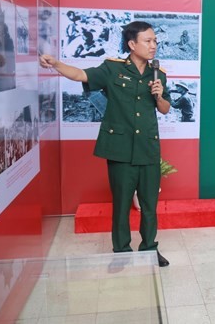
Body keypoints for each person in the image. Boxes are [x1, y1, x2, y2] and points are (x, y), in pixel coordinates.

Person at [39, 21, 171, 267]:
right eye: (148, 41)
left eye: (155, 41)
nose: (154, 46)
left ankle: (150, 249)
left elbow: (164, 109)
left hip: (148, 148)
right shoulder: (112, 69)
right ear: (132, 44)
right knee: (121, 205)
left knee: (149, 206)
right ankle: (121, 252)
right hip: (120, 149)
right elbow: (81, 75)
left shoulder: (158, 74)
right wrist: (56, 64)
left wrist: (159, 95)